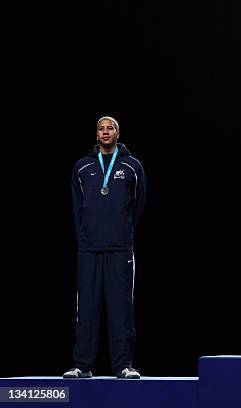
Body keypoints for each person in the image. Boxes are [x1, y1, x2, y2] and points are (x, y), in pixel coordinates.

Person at [63, 116, 146, 379]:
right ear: (96, 134)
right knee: (86, 308)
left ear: (118, 133)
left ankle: (123, 364)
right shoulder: (82, 167)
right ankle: (82, 365)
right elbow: (77, 207)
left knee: (120, 308)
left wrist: (123, 229)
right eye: (101, 128)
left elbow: (138, 204)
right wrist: (85, 235)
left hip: (120, 247)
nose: (105, 132)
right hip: (89, 248)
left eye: (110, 128)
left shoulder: (132, 166)